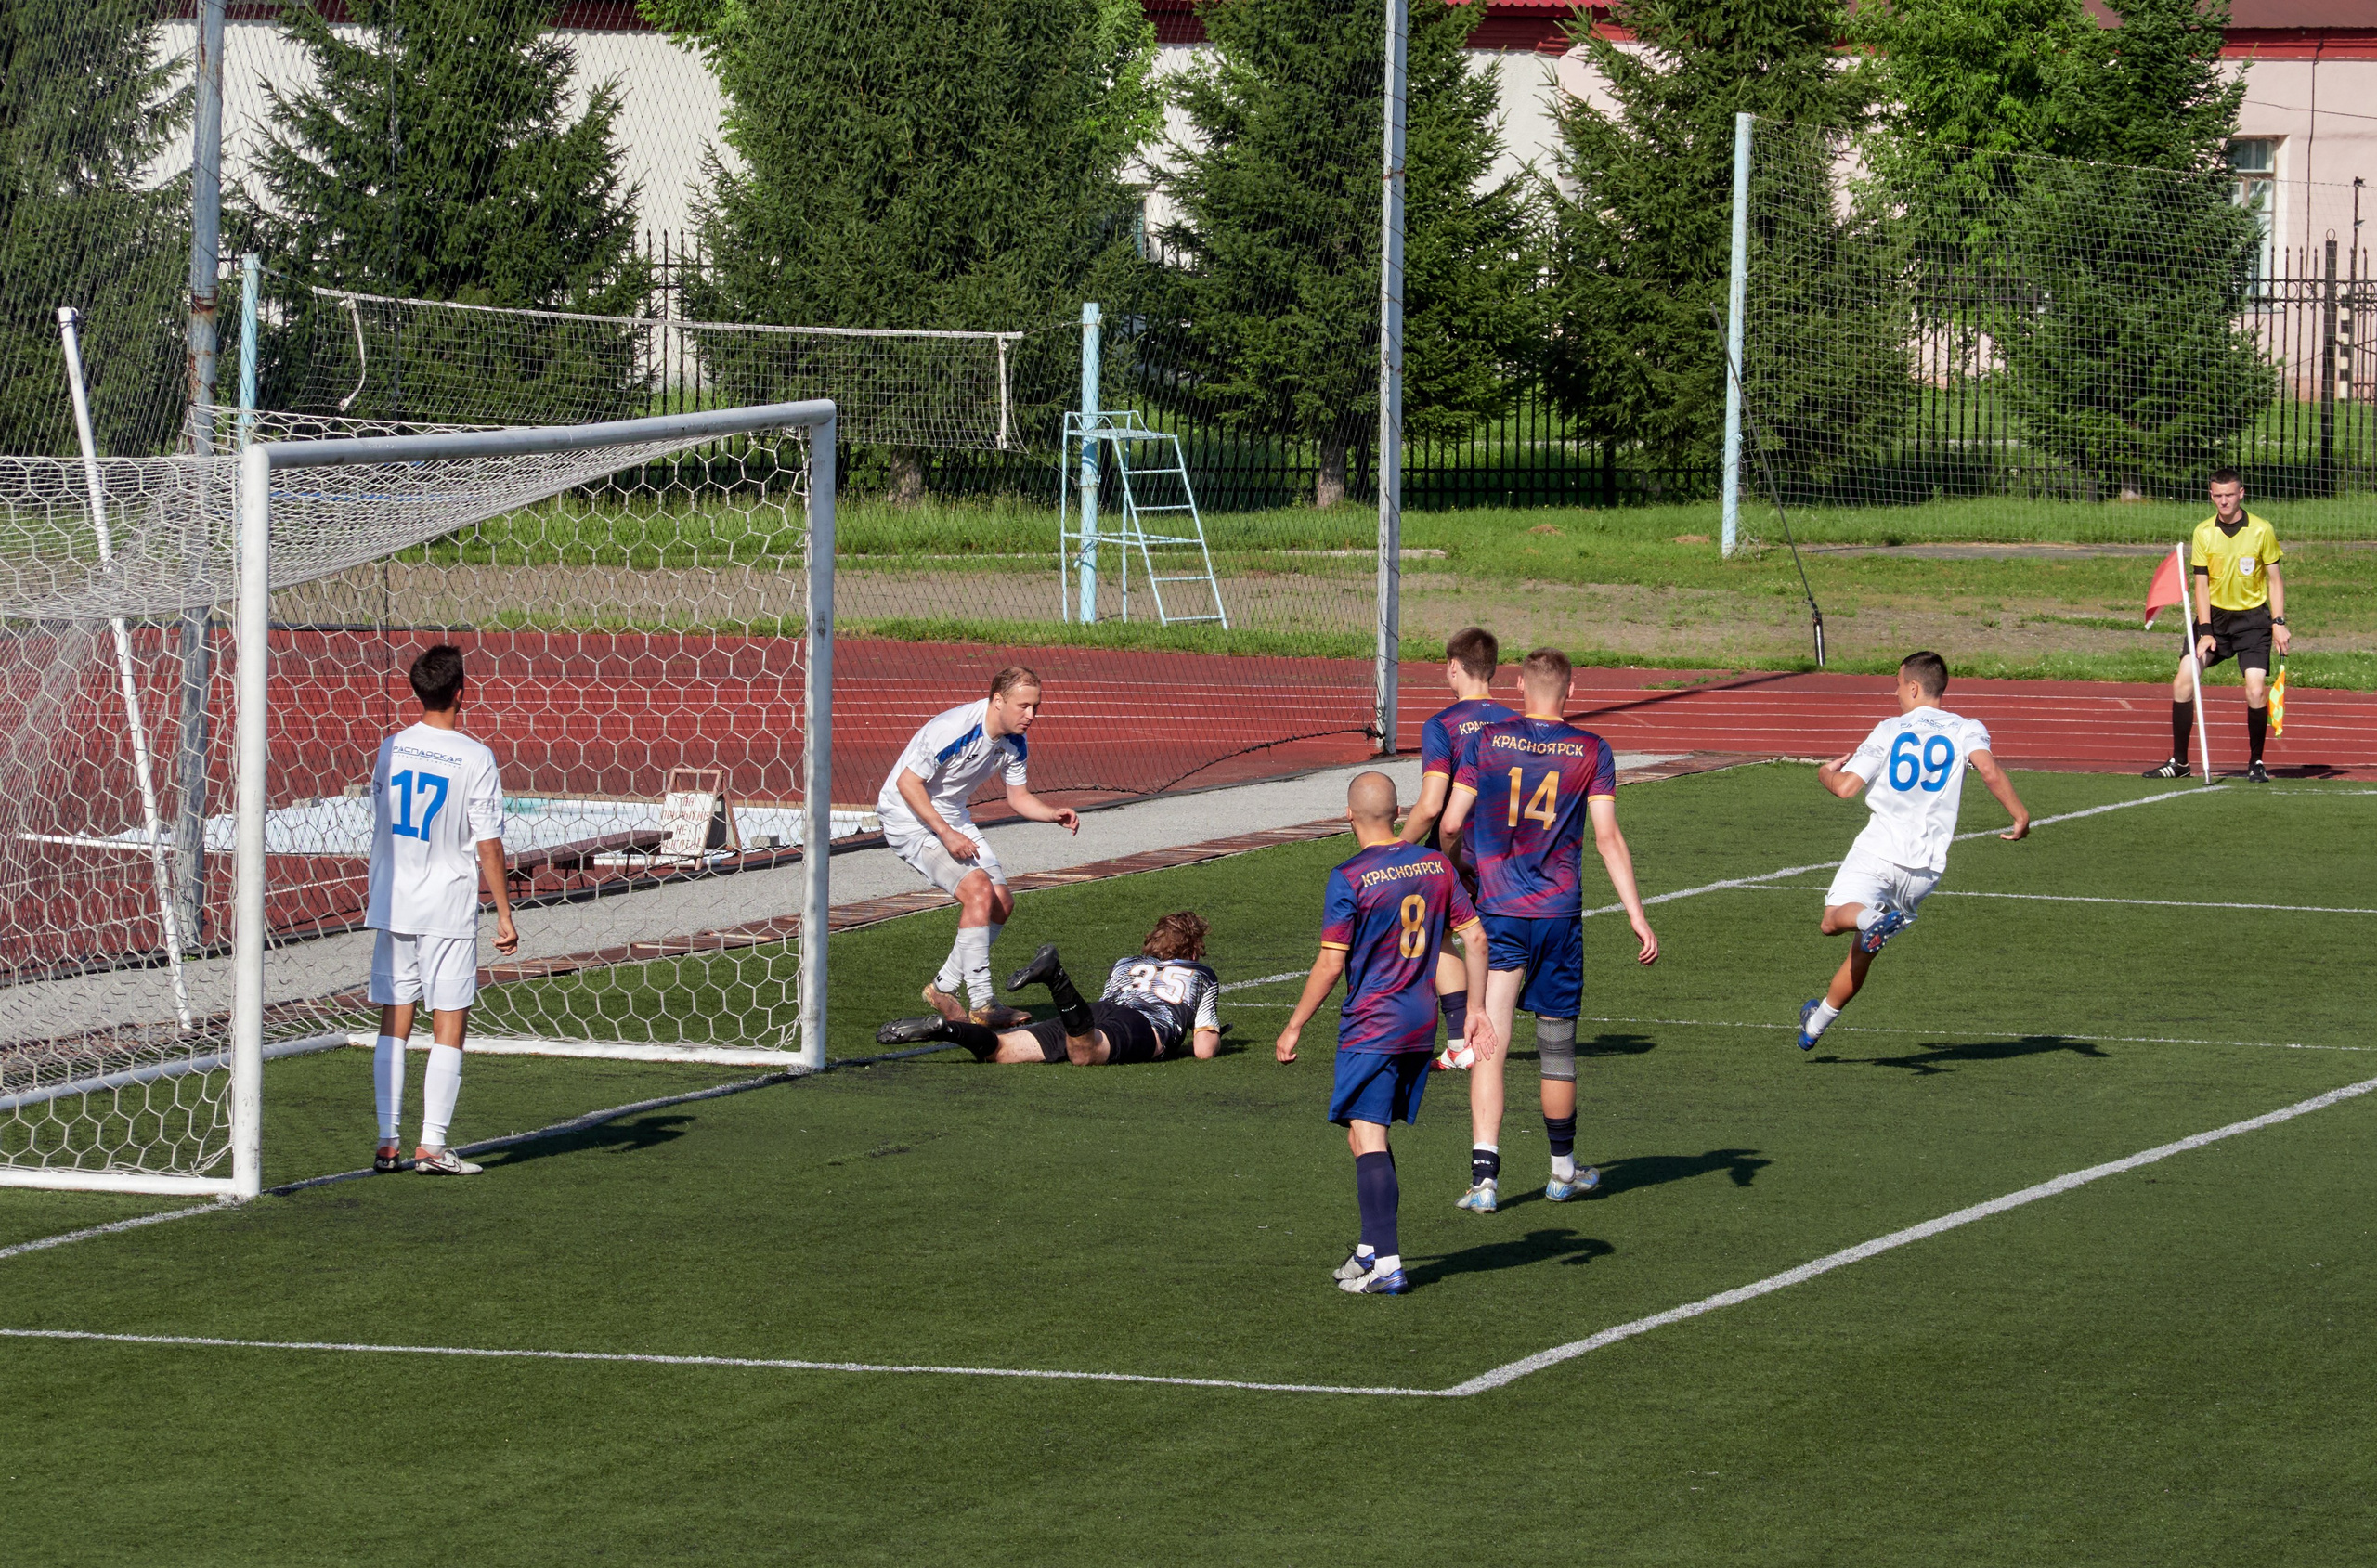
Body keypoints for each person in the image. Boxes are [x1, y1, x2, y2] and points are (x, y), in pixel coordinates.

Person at [1435, 647, 1658, 1213]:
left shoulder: (1487, 741)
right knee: (1556, 1048)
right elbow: (1607, 837)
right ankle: (1562, 1173)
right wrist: (1636, 914)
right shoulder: (1592, 749)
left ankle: (1485, 1180)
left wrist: (1458, 877)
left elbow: (1451, 822)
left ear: (1517, 685)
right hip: (1557, 917)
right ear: (1572, 690)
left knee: (1489, 1041)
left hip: (1499, 913)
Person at [1275, 771, 1492, 1296]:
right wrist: (1474, 1012)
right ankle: (1371, 1247)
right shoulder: (1436, 865)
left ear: (1348, 815)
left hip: (1372, 1024)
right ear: (1398, 814)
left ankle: (1389, 1265)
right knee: (1362, 1133)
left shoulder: (1348, 876)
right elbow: (1476, 938)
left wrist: (1294, 1025)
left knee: (1368, 1136)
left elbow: (1331, 964)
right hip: (1420, 1023)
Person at [1796, 652, 2030, 1051]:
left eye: (1898, 684)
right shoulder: (1967, 728)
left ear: (1914, 687)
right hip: (1924, 870)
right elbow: (1988, 770)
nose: (1895, 693)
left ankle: (1870, 918)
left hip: (1880, 850)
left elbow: (1846, 788)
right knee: (1863, 951)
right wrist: (2020, 815)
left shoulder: (1889, 729)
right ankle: (1814, 1026)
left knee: (1832, 921)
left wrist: (1823, 773)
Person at [366, 644, 520, 1176]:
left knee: (395, 1019)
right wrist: (504, 913)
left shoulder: (392, 747)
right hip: (447, 905)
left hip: (394, 901)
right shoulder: (475, 757)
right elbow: (489, 843)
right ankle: (431, 1146)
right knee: (448, 1023)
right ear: (461, 692)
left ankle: (388, 1142)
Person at [877, 667, 1080, 1027]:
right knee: (979, 891)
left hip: (950, 815)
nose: (1031, 715)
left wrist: (1052, 814)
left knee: (1002, 902)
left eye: (1035, 706)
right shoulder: (953, 728)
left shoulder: (1014, 741)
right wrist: (945, 833)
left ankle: (943, 987)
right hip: (907, 816)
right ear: (998, 700)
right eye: (1023, 706)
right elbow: (908, 784)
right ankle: (983, 1003)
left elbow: (1018, 797)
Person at [876, 912, 1223, 1065]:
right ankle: (1056, 978)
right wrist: (1206, 1033)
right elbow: (1204, 1050)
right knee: (1085, 1055)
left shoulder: (1125, 963)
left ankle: (946, 1029)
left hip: (1096, 1013)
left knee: (1000, 1051)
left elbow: (1111, 1004)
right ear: (1194, 950)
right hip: (1142, 1025)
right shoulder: (1202, 974)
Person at [1397, 626, 1512, 1071]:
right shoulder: (1516, 724)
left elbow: (1431, 807)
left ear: (1452, 667)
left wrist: (1394, 850)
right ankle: (1478, 1039)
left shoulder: (1441, 725)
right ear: (1493, 669)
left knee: (1440, 935)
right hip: (1509, 855)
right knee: (1494, 944)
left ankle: (1462, 1037)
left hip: (1458, 850)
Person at [2143, 468, 2290, 784]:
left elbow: (2275, 580)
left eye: (2230, 495)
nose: (2224, 501)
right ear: (2211, 496)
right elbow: (2201, 584)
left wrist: (2278, 622)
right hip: (2215, 621)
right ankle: (2180, 762)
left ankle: (2256, 762)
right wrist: (2206, 630)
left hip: (2253, 621)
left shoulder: (2262, 530)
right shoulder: (2203, 532)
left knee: (2255, 690)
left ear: (2241, 494)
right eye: (2218, 495)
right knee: (2183, 681)